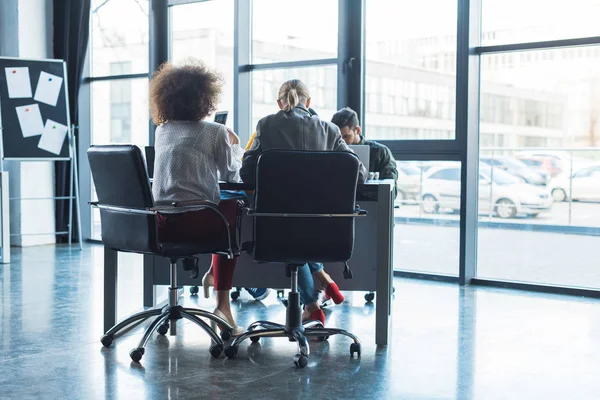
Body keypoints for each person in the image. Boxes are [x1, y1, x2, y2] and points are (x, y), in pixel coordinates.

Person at [241, 79, 367, 324]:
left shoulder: (266, 125)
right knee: (304, 232)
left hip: (275, 227)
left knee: (290, 227)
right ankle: (315, 300)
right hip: (324, 229)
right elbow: (358, 173)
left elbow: (246, 172)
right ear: (309, 103)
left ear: (279, 102)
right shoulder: (330, 130)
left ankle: (311, 304)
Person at [150, 60, 244, 336]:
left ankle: (213, 275)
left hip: (162, 224)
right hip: (200, 223)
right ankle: (223, 305)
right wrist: (234, 144)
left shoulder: (161, 131)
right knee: (232, 210)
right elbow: (232, 176)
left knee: (221, 209)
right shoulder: (215, 131)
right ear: (205, 98)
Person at [331, 107, 399, 199]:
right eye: (338, 137)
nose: (342, 141)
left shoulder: (380, 152)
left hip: (373, 208)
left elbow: (391, 190)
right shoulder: (331, 152)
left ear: (357, 130)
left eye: (346, 136)